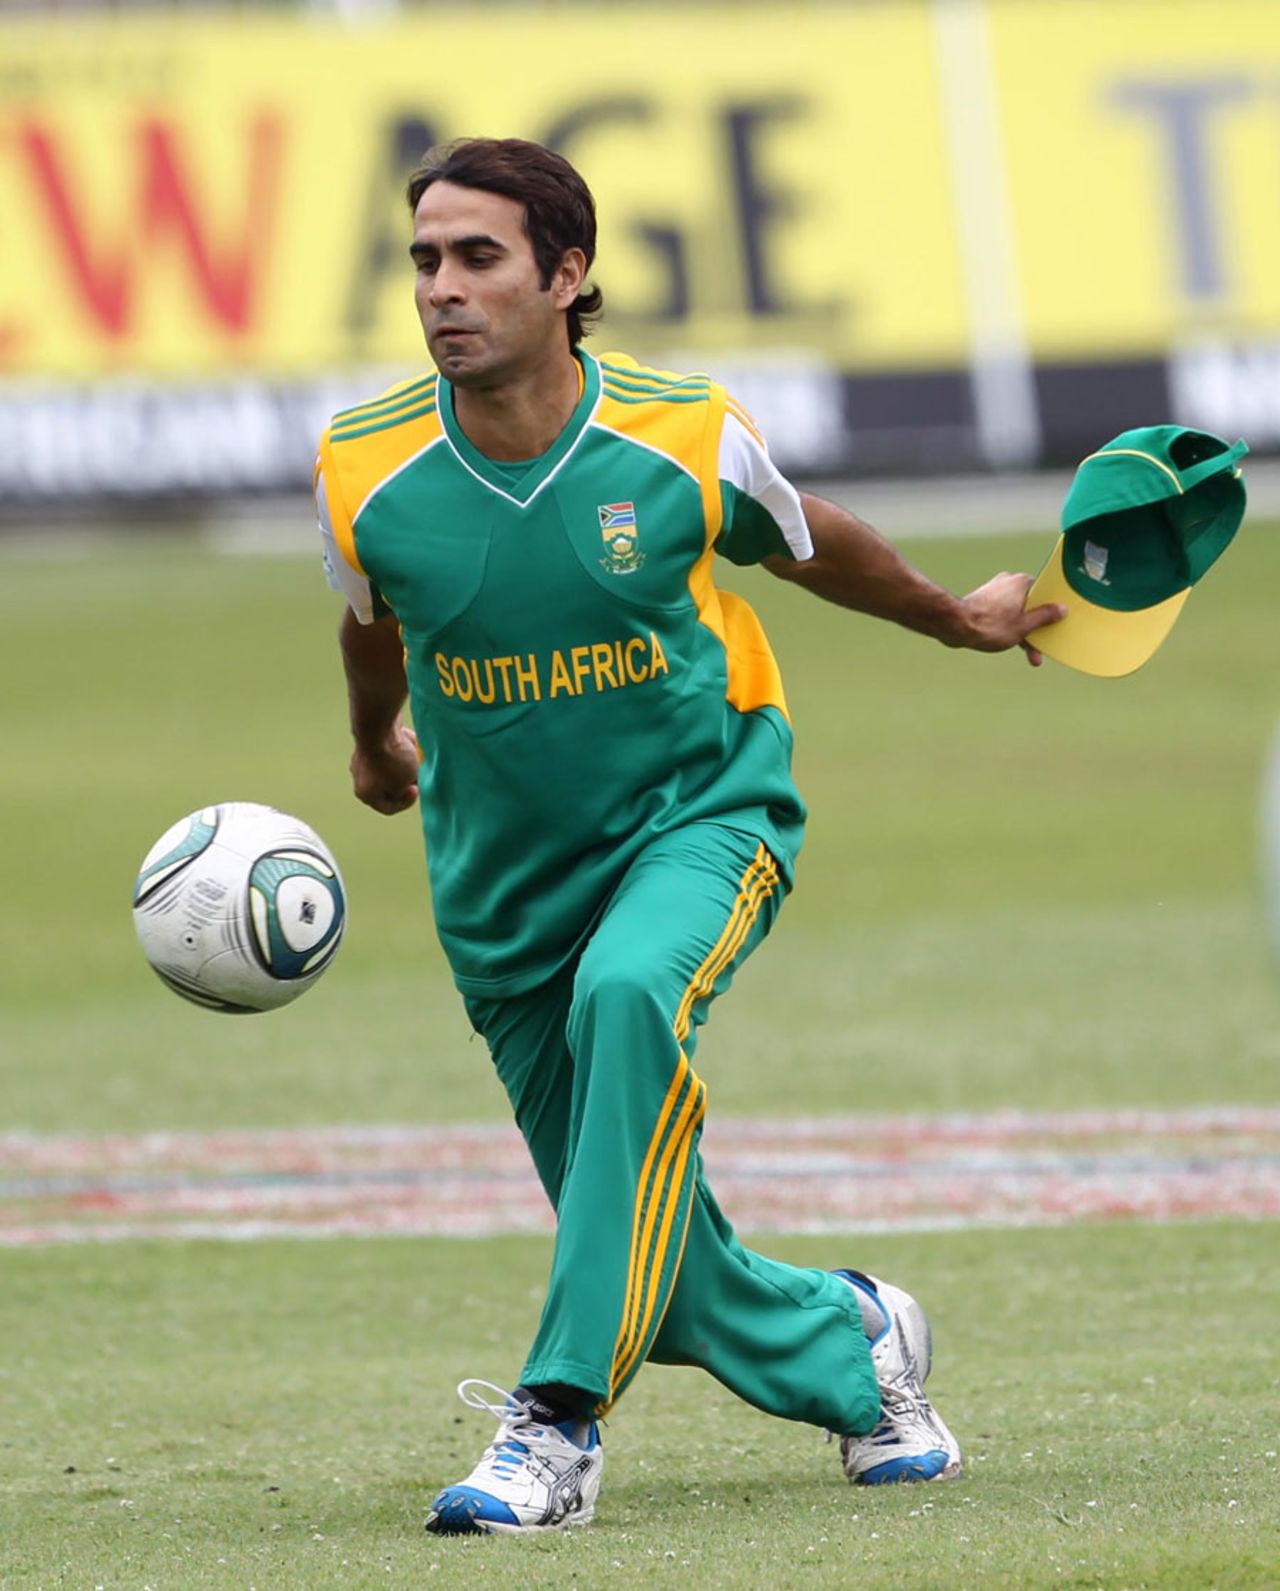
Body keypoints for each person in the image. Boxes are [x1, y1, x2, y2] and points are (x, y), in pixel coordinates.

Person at [315, 136, 1065, 1537]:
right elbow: (372, 618)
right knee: (646, 1243)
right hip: (497, 893)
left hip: (702, 819)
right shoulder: (362, 463)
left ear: (568, 274)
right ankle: (858, 1342)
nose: (442, 289)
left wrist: (959, 615)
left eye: (478, 256)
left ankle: (552, 1432)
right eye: (424, 259)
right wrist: (371, 745)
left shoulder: (679, 434)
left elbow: (809, 538)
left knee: (628, 996)